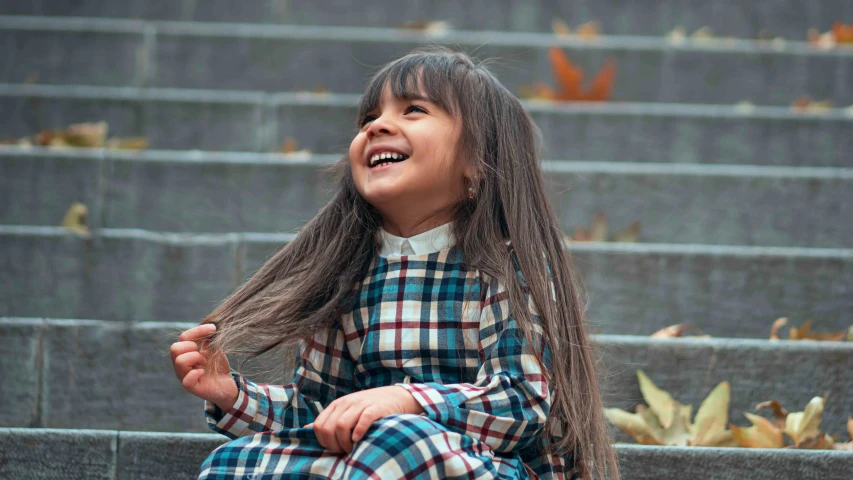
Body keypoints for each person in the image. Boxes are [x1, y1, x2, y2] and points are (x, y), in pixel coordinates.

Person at [170, 46, 618, 480]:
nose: (378, 126)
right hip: (379, 460)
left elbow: (521, 403)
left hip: (494, 466)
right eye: (369, 117)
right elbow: (320, 414)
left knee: (399, 438)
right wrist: (231, 395)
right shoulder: (346, 276)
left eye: (413, 110)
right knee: (235, 460)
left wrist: (407, 400)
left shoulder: (505, 266)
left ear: (477, 162)